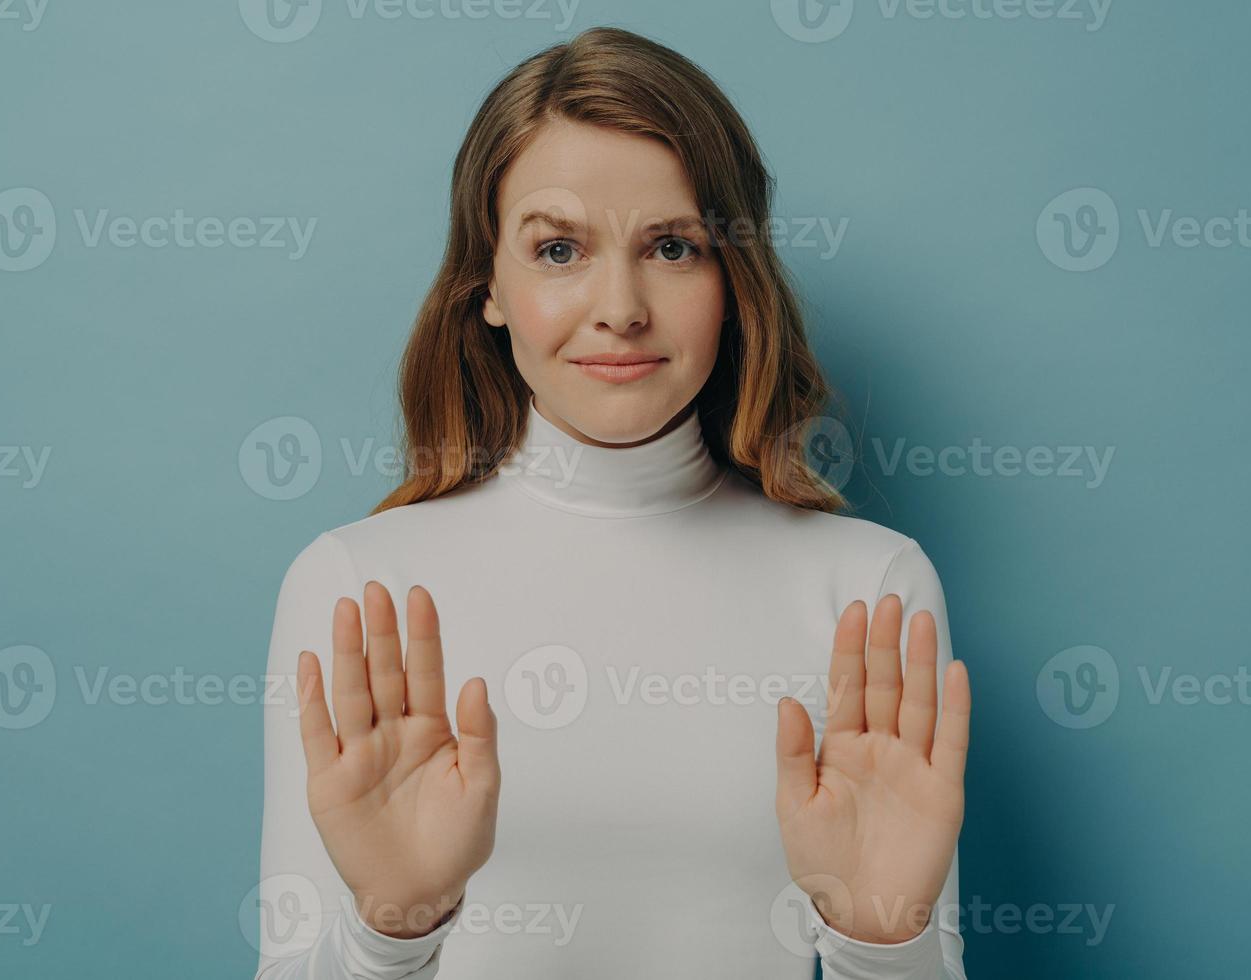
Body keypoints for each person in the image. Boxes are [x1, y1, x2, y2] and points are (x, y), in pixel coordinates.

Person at [254, 25, 970, 979]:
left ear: (734, 282)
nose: (621, 306)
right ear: (488, 288)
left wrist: (880, 945)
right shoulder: (358, 585)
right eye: (558, 249)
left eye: (672, 246)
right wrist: (394, 930)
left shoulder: (868, 587)